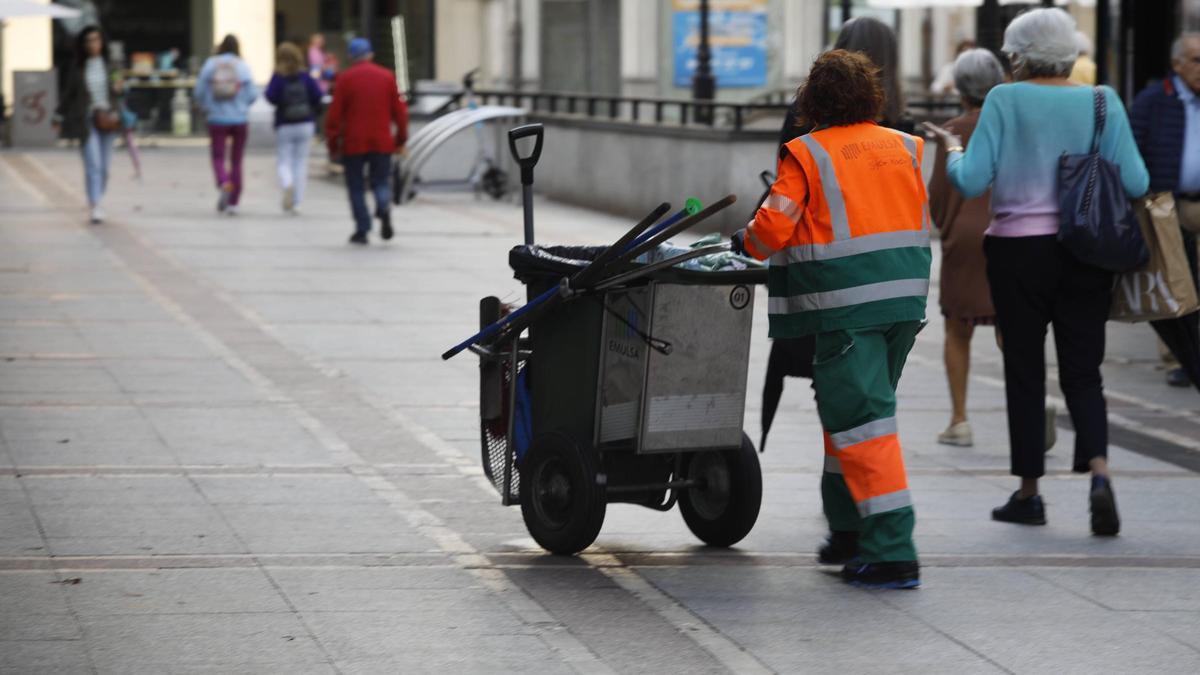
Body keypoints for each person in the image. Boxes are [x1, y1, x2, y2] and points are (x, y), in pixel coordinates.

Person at [925, 8, 1149, 536]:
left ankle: (1029, 494)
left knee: (1024, 369)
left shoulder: (1005, 99)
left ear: (1020, 55)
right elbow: (1136, 181)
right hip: (1086, 250)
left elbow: (974, 179)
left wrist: (953, 150)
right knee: (1083, 370)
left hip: (1018, 252)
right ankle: (1099, 473)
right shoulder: (1102, 101)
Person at [733, 49, 931, 590]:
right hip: (904, 304)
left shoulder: (808, 153)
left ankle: (893, 551)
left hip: (847, 307)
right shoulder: (905, 147)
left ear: (813, 100)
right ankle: (847, 529)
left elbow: (773, 228)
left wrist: (742, 243)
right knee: (848, 415)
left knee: (864, 426)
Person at [762, 16, 913, 451]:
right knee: (868, 392)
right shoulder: (904, 127)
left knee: (833, 381)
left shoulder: (807, 119)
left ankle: (850, 488)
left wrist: (750, 242)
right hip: (895, 280)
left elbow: (784, 191)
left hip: (824, 272)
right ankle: (848, 487)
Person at [928, 49, 1006, 447]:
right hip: (1010, 234)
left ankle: (959, 420)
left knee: (957, 330)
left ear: (960, 89)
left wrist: (948, 227)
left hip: (963, 238)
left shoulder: (950, 132)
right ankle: (1022, 411)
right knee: (1012, 329)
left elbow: (938, 197)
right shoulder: (1011, 126)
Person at [1130, 33, 1200, 391]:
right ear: (1177, 64)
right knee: (1176, 281)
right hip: (1169, 205)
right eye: (1196, 60)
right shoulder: (1155, 99)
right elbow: (1134, 148)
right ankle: (1177, 359)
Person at [324, 38, 409, 245]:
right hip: (382, 141)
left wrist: (333, 145)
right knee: (380, 180)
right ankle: (383, 207)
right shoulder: (387, 77)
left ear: (352, 57)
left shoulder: (345, 79)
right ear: (370, 54)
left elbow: (334, 117)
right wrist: (400, 139)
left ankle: (362, 229)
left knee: (356, 186)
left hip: (353, 142)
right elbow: (400, 113)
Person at [54, 25, 122, 224]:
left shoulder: (111, 65)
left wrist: (119, 88)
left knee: (105, 168)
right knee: (93, 163)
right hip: (87, 120)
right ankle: (95, 204)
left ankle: (97, 198)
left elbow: (119, 92)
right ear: (83, 45)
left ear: (103, 42)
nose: (93, 44)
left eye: (96, 40)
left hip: (108, 120)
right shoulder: (78, 68)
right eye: (89, 41)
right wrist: (57, 116)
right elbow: (68, 95)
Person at [193, 34, 258, 215]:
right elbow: (253, 95)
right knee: (237, 161)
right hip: (240, 120)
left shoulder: (211, 64)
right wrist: (242, 106)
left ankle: (223, 182)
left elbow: (198, 91)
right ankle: (234, 202)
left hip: (216, 118)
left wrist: (207, 105)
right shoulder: (243, 66)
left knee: (218, 156)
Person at [265, 42, 323, 214]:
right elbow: (318, 96)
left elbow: (269, 96)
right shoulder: (305, 76)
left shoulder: (278, 76)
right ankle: (297, 202)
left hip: (285, 123)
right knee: (301, 162)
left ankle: (287, 183)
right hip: (306, 123)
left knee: (284, 160)